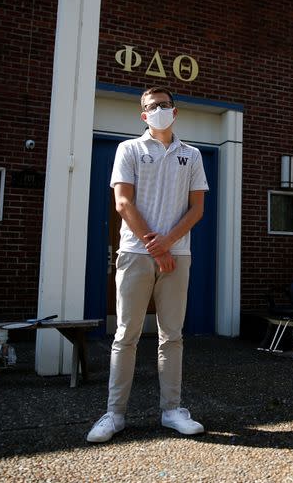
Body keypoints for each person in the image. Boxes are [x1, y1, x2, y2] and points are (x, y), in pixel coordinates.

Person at [87, 86, 209, 443]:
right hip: (136, 253)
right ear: (143, 115)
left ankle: (172, 411)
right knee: (126, 335)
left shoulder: (193, 155)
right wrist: (156, 248)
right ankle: (114, 415)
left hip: (177, 255)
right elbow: (123, 203)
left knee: (172, 335)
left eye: (164, 105)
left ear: (175, 111)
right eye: (151, 106)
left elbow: (197, 208)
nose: (158, 110)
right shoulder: (129, 149)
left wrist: (168, 244)